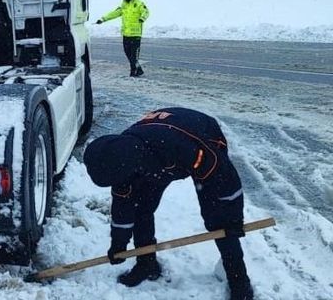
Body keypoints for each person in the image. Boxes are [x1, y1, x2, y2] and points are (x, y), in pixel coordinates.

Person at [83, 107, 254, 300]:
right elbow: (123, 204)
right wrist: (119, 244)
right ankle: (146, 264)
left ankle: (239, 280)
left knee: (218, 221)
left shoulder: (183, 147)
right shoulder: (120, 159)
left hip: (201, 137)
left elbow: (224, 179)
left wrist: (234, 219)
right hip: (155, 153)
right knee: (141, 208)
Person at [96, 0, 149, 77]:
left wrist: (142, 18)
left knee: (134, 56)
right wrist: (103, 19)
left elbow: (146, 11)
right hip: (126, 34)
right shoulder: (123, 6)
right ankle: (139, 70)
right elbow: (114, 13)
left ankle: (133, 72)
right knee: (127, 53)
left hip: (135, 35)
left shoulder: (139, 4)